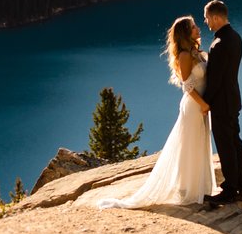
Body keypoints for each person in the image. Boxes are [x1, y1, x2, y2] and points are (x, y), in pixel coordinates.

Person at [88, 16, 218, 209]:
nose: (198, 28)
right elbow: (187, 86)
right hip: (193, 106)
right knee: (190, 145)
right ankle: (188, 190)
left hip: (202, 105)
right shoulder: (184, 55)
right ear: (185, 33)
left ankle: (200, 188)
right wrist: (204, 105)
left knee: (199, 144)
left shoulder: (197, 52)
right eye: (193, 27)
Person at [199, 0, 242, 208]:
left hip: (221, 103)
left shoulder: (219, 44)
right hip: (233, 99)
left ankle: (230, 190)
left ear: (216, 17)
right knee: (235, 143)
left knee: (226, 146)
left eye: (207, 18)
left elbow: (215, 80)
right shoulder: (236, 37)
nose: (206, 22)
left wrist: (204, 103)